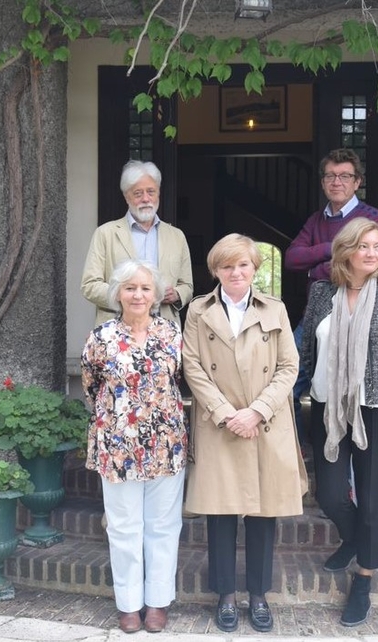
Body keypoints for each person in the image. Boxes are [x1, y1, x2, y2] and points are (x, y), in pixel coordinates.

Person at [300, 218, 378, 627]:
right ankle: (353, 537)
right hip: (327, 405)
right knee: (331, 493)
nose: (373, 253)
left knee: (371, 500)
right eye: (364, 246)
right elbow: (308, 351)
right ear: (345, 250)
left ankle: (365, 579)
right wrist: (306, 393)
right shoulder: (322, 293)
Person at [182, 233, 308, 634]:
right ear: (215, 270)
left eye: (243, 265)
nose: (235, 272)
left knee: (261, 512)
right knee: (220, 514)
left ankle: (258, 595)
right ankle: (224, 596)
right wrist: (225, 413)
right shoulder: (198, 311)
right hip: (221, 425)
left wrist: (256, 411)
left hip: (264, 424)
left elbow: (290, 366)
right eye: (226, 266)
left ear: (255, 268)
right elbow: (193, 367)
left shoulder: (276, 308)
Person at [81, 259, 187, 634]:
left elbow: (181, 381)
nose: (138, 294)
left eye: (145, 288)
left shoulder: (172, 334)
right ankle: (128, 604)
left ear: (156, 294)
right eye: (130, 288)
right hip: (118, 446)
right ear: (118, 294)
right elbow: (92, 385)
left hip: (165, 443)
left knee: (163, 525)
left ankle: (157, 602)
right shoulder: (102, 336)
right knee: (124, 527)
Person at [284, 149, 378, 443]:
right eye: (330, 175)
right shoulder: (316, 220)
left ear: (357, 182)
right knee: (285, 383)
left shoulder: (370, 217)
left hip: (355, 315)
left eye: (344, 176)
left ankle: (346, 463)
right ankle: (300, 451)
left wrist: (316, 266)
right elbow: (292, 258)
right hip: (314, 314)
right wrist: (331, 248)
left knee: (347, 392)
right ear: (323, 182)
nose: (336, 181)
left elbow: (360, 265)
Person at [81, 160, 194, 326]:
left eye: (151, 192)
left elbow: (187, 285)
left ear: (158, 194)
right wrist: (126, 295)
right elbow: (89, 285)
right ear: (127, 197)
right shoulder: (106, 233)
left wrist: (177, 294)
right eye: (138, 193)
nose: (146, 199)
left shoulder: (177, 236)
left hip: (163, 330)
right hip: (116, 330)